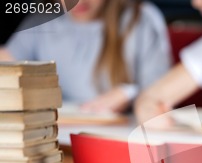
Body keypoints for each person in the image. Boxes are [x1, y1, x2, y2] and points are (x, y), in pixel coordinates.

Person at [0, 0, 171, 114]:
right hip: (60, 133)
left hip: (126, 133)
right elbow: (8, 64)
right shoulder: (43, 19)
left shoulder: (140, 19)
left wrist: (130, 93)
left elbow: (165, 90)